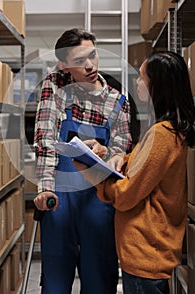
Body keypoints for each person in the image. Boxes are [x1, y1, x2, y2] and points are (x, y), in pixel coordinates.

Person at [73, 50, 195, 294]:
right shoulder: (165, 129)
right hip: (147, 253)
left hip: (145, 254)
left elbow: (127, 195)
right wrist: (112, 155)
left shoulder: (162, 134)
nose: (137, 83)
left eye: (142, 77)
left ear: (157, 85)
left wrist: (93, 173)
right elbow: (144, 164)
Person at [33, 28, 132, 294]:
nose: (89, 65)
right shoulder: (54, 87)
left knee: (99, 277)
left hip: (98, 197)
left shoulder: (117, 101)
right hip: (60, 196)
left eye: (93, 55)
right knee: (55, 277)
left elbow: (123, 148)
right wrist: (44, 189)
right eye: (79, 61)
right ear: (63, 64)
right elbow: (45, 139)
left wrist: (107, 153)